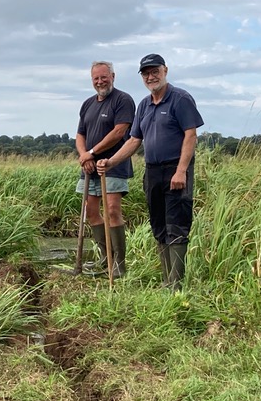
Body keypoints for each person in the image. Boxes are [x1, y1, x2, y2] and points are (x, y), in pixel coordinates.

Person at [97, 54, 204, 291]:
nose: (150, 77)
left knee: (176, 224)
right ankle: (167, 280)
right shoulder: (144, 105)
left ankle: (175, 284)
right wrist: (111, 161)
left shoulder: (180, 99)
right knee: (158, 224)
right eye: (145, 73)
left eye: (154, 71)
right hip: (153, 171)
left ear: (165, 70)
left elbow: (190, 135)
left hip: (176, 170)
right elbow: (135, 140)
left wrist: (181, 171)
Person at [76, 61, 135, 278]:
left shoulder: (122, 100)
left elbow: (120, 131)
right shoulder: (87, 104)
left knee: (112, 211)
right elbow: (80, 134)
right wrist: (85, 156)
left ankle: (119, 264)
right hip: (89, 167)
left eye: (104, 77)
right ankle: (104, 259)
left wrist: (92, 152)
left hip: (112, 165)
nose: (100, 81)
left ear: (113, 76)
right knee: (91, 212)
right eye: (96, 78)